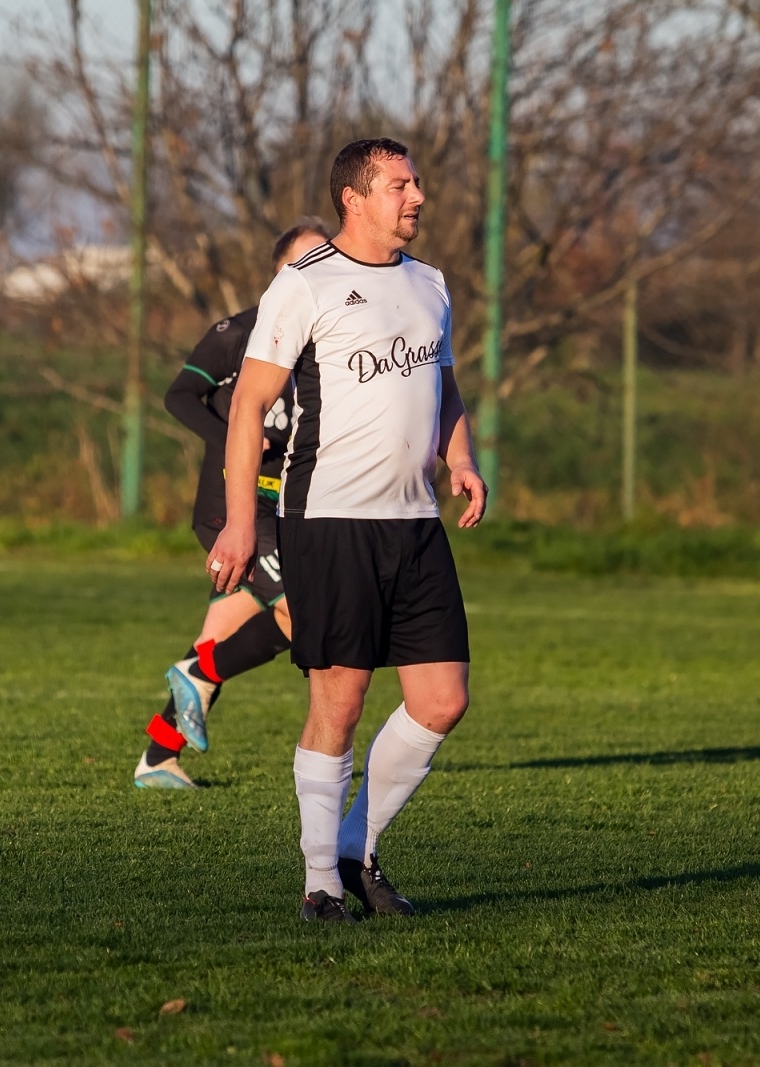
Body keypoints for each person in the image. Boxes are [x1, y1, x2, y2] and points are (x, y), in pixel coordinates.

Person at [206, 137, 488, 923]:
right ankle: (320, 880)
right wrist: (237, 523)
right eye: (400, 184)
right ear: (353, 198)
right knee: (341, 701)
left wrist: (460, 457)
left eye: (418, 182)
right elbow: (248, 407)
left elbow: (445, 382)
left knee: (442, 698)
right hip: (327, 520)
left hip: (415, 523)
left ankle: (355, 848)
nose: (418, 196)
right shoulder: (304, 285)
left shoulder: (430, 284)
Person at [132, 218, 333, 789]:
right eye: (308, 261)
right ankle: (197, 676)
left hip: (285, 509)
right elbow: (179, 395)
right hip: (232, 508)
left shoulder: (328, 341)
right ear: (280, 274)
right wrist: (238, 437)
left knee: (214, 641)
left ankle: (157, 758)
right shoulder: (238, 333)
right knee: (305, 613)